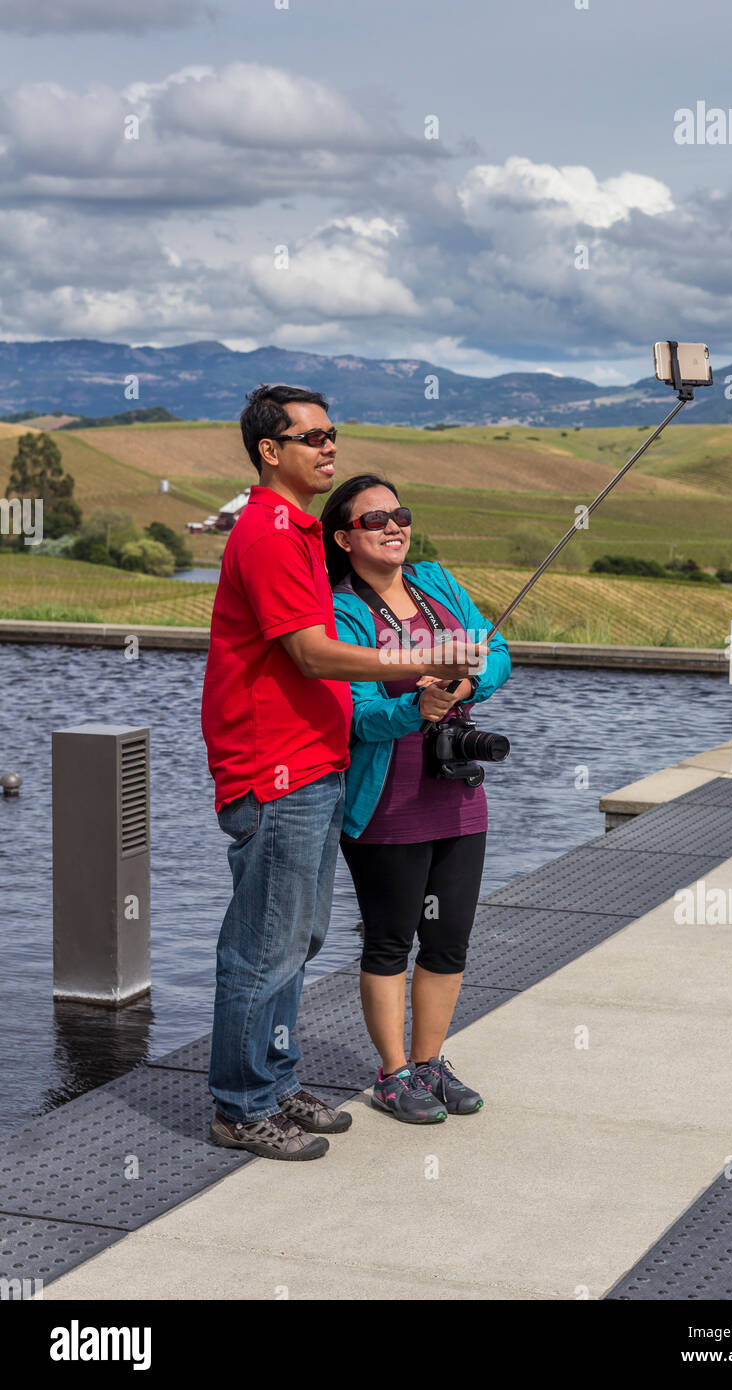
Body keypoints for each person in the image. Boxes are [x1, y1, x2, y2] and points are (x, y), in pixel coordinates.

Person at [200, 388, 486, 1161]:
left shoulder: (296, 532)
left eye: (333, 433)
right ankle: (241, 1105)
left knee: (298, 937)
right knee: (264, 944)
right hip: (275, 768)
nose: (329, 446)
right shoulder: (264, 531)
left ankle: (276, 1077)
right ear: (269, 450)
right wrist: (424, 658)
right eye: (312, 436)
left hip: (315, 767)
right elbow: (311, 654)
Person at [322, 474, 511, 1124]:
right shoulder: (341, 610)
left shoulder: (438, 581)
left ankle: (430, 1062)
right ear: (345, 538)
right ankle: (393, 1074)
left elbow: (500, 650)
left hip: (456, 796)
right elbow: (357, 715)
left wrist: (465, 688)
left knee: (449, 940)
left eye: (398, 513)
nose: (393, 525)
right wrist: (414, 705)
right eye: (374, 520)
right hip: (387, 805)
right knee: (389, 942)